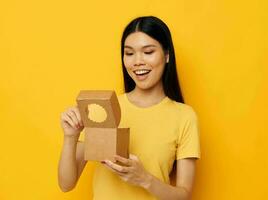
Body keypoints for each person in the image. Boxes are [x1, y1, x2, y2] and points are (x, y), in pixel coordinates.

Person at [58, 16, 200, 200]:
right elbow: (66, 184)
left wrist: (144, 179)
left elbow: (184, 195)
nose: (137, 61)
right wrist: (70, 137)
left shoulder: (184, 116)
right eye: (129, 53)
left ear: (167, 55)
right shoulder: (105, 108)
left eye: (148, 52)